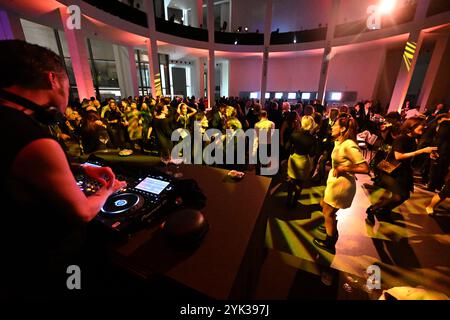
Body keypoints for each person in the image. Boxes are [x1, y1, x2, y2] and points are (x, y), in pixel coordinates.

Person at [0, 40, 126, 297]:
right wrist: (109, 190)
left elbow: (25, 168)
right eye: (70, 85)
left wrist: (79, 167)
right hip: (45, 263)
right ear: (53, 79)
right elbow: (82, 212)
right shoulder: (32, 138)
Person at [313, 114, 369, 253]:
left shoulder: (349, 145)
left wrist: (343, 168)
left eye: (335, 125)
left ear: (343, 128)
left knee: (327, 212)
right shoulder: (340, 141)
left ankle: (329, 241)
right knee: (324, 205)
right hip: (335, 182)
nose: (332, 127)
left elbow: (365, 168)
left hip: (341, 185)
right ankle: (330, 224)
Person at [367, 117, 437, 223]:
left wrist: (428, 154)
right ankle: (374, 209)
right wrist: (422, 151)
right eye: (421, 125)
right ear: (412, 125)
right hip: (391, 170)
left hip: (402, 170)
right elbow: (398, 156)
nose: (424, 127)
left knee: (403, 196)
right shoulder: (401, 138)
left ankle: (382, 210)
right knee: (399, 196)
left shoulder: (413, 138)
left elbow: (411, 156)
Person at [285, 116, 318, 208]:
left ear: (302, 123)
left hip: (293, 159)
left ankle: (288, 200)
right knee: (300, 183)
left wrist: (292, 150)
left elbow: (287, 147)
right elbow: (311, 154)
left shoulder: (294, 134)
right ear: (311, 125)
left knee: (291, 181)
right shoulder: (313, 139)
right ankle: (294, 202)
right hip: (304, 161)